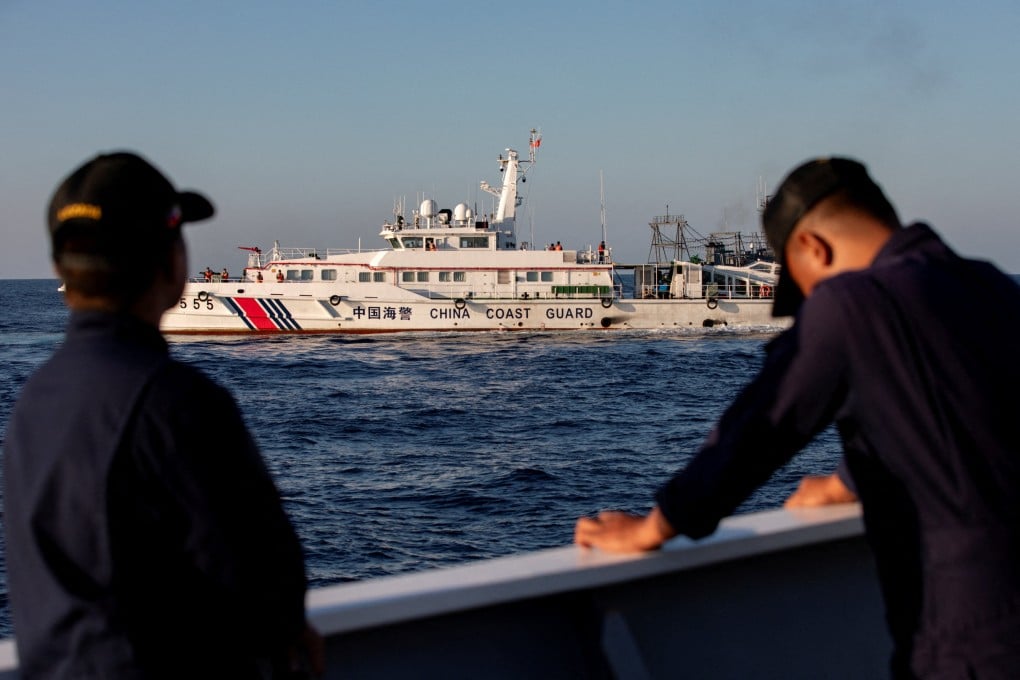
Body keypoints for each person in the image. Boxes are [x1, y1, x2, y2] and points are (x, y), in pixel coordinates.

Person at [574, 157, 1020, 678]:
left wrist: (656, 525)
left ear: (813, 248)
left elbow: (760, 428)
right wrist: (850, 481)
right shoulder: (989, 284)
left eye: (803, 285)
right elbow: (957, 408)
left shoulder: (853, 301)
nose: (809, 300)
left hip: (975, 630)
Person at [3, 151, 323, 678]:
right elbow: (265, 585)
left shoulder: (33, 401)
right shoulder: (176, 405)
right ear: (171, 264)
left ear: (62, 269)